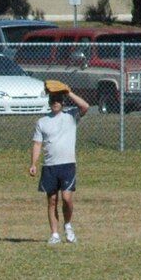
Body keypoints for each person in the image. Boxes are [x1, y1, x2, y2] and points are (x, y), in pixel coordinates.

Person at [27, 82, 91, 244]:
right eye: (53, 100)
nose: (55, 103)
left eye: (58, 100)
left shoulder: (71, 115)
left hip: (67, 164)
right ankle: (54, 234)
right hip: (50, 166)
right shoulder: (42, 122)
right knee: (52, 200)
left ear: (63, 102)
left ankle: (68, 225)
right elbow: (37, 144)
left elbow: (85, 106)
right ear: (49, 103)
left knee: (67, 198)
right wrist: (33, 163)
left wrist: (68, 92)